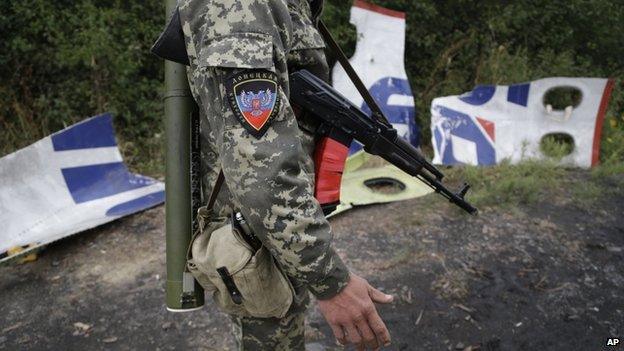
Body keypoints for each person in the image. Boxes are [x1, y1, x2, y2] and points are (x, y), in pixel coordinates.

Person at [177, 0, 393, 349]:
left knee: (287, 332)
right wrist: (331, 282)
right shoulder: (241, 5)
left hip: (279, 230)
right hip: (254, 235)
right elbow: (261, 172)